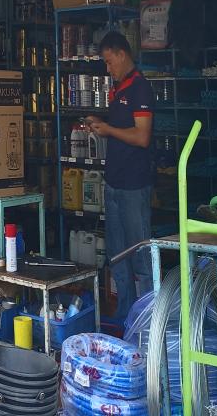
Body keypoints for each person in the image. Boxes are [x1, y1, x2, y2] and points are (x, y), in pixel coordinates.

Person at [85, 31, 154, 323]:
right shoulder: (118, 89)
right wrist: (101, 124)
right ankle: (125, 312)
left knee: (139, 252)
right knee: (117, 253)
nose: (108, 68)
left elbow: (142, 136)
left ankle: (148, 316)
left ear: (122, 54)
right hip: (113, 182)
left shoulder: (140, 88)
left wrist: (109, 130)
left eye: (109, 61)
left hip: (134, 185)